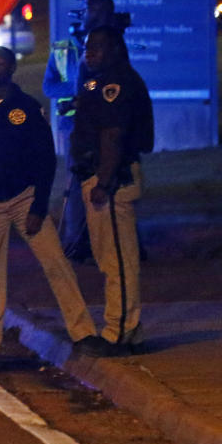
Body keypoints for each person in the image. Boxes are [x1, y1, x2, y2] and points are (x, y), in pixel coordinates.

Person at [0, 47, 106, 371]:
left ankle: (83, 333)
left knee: (56, 262)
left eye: (0, 62)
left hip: (26, 198)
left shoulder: (27, 108)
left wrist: (39, 206)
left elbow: (44, 160)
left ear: (12, 68)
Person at [70, 26, 154, 357]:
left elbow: (113, 135)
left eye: (99, 47)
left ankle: (117, 331)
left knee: (116, 260)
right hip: (104, 178)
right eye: (89, 46)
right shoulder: (99, 80)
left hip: (112, 181)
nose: (90, 52)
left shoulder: (115, 84)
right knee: (114, 258)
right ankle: (129, 330)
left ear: (116, 49)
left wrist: (103, 182)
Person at [44, 0, 119, 262]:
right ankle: (76, 241)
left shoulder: (112, 47)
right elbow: (48, 86)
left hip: (105, 124)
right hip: (74, 126)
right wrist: (78, 89)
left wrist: (87, 88)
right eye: (88, 12)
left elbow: (107, 82)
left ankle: (108, 240)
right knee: (76, 184)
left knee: (107, 178)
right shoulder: (63, 49)